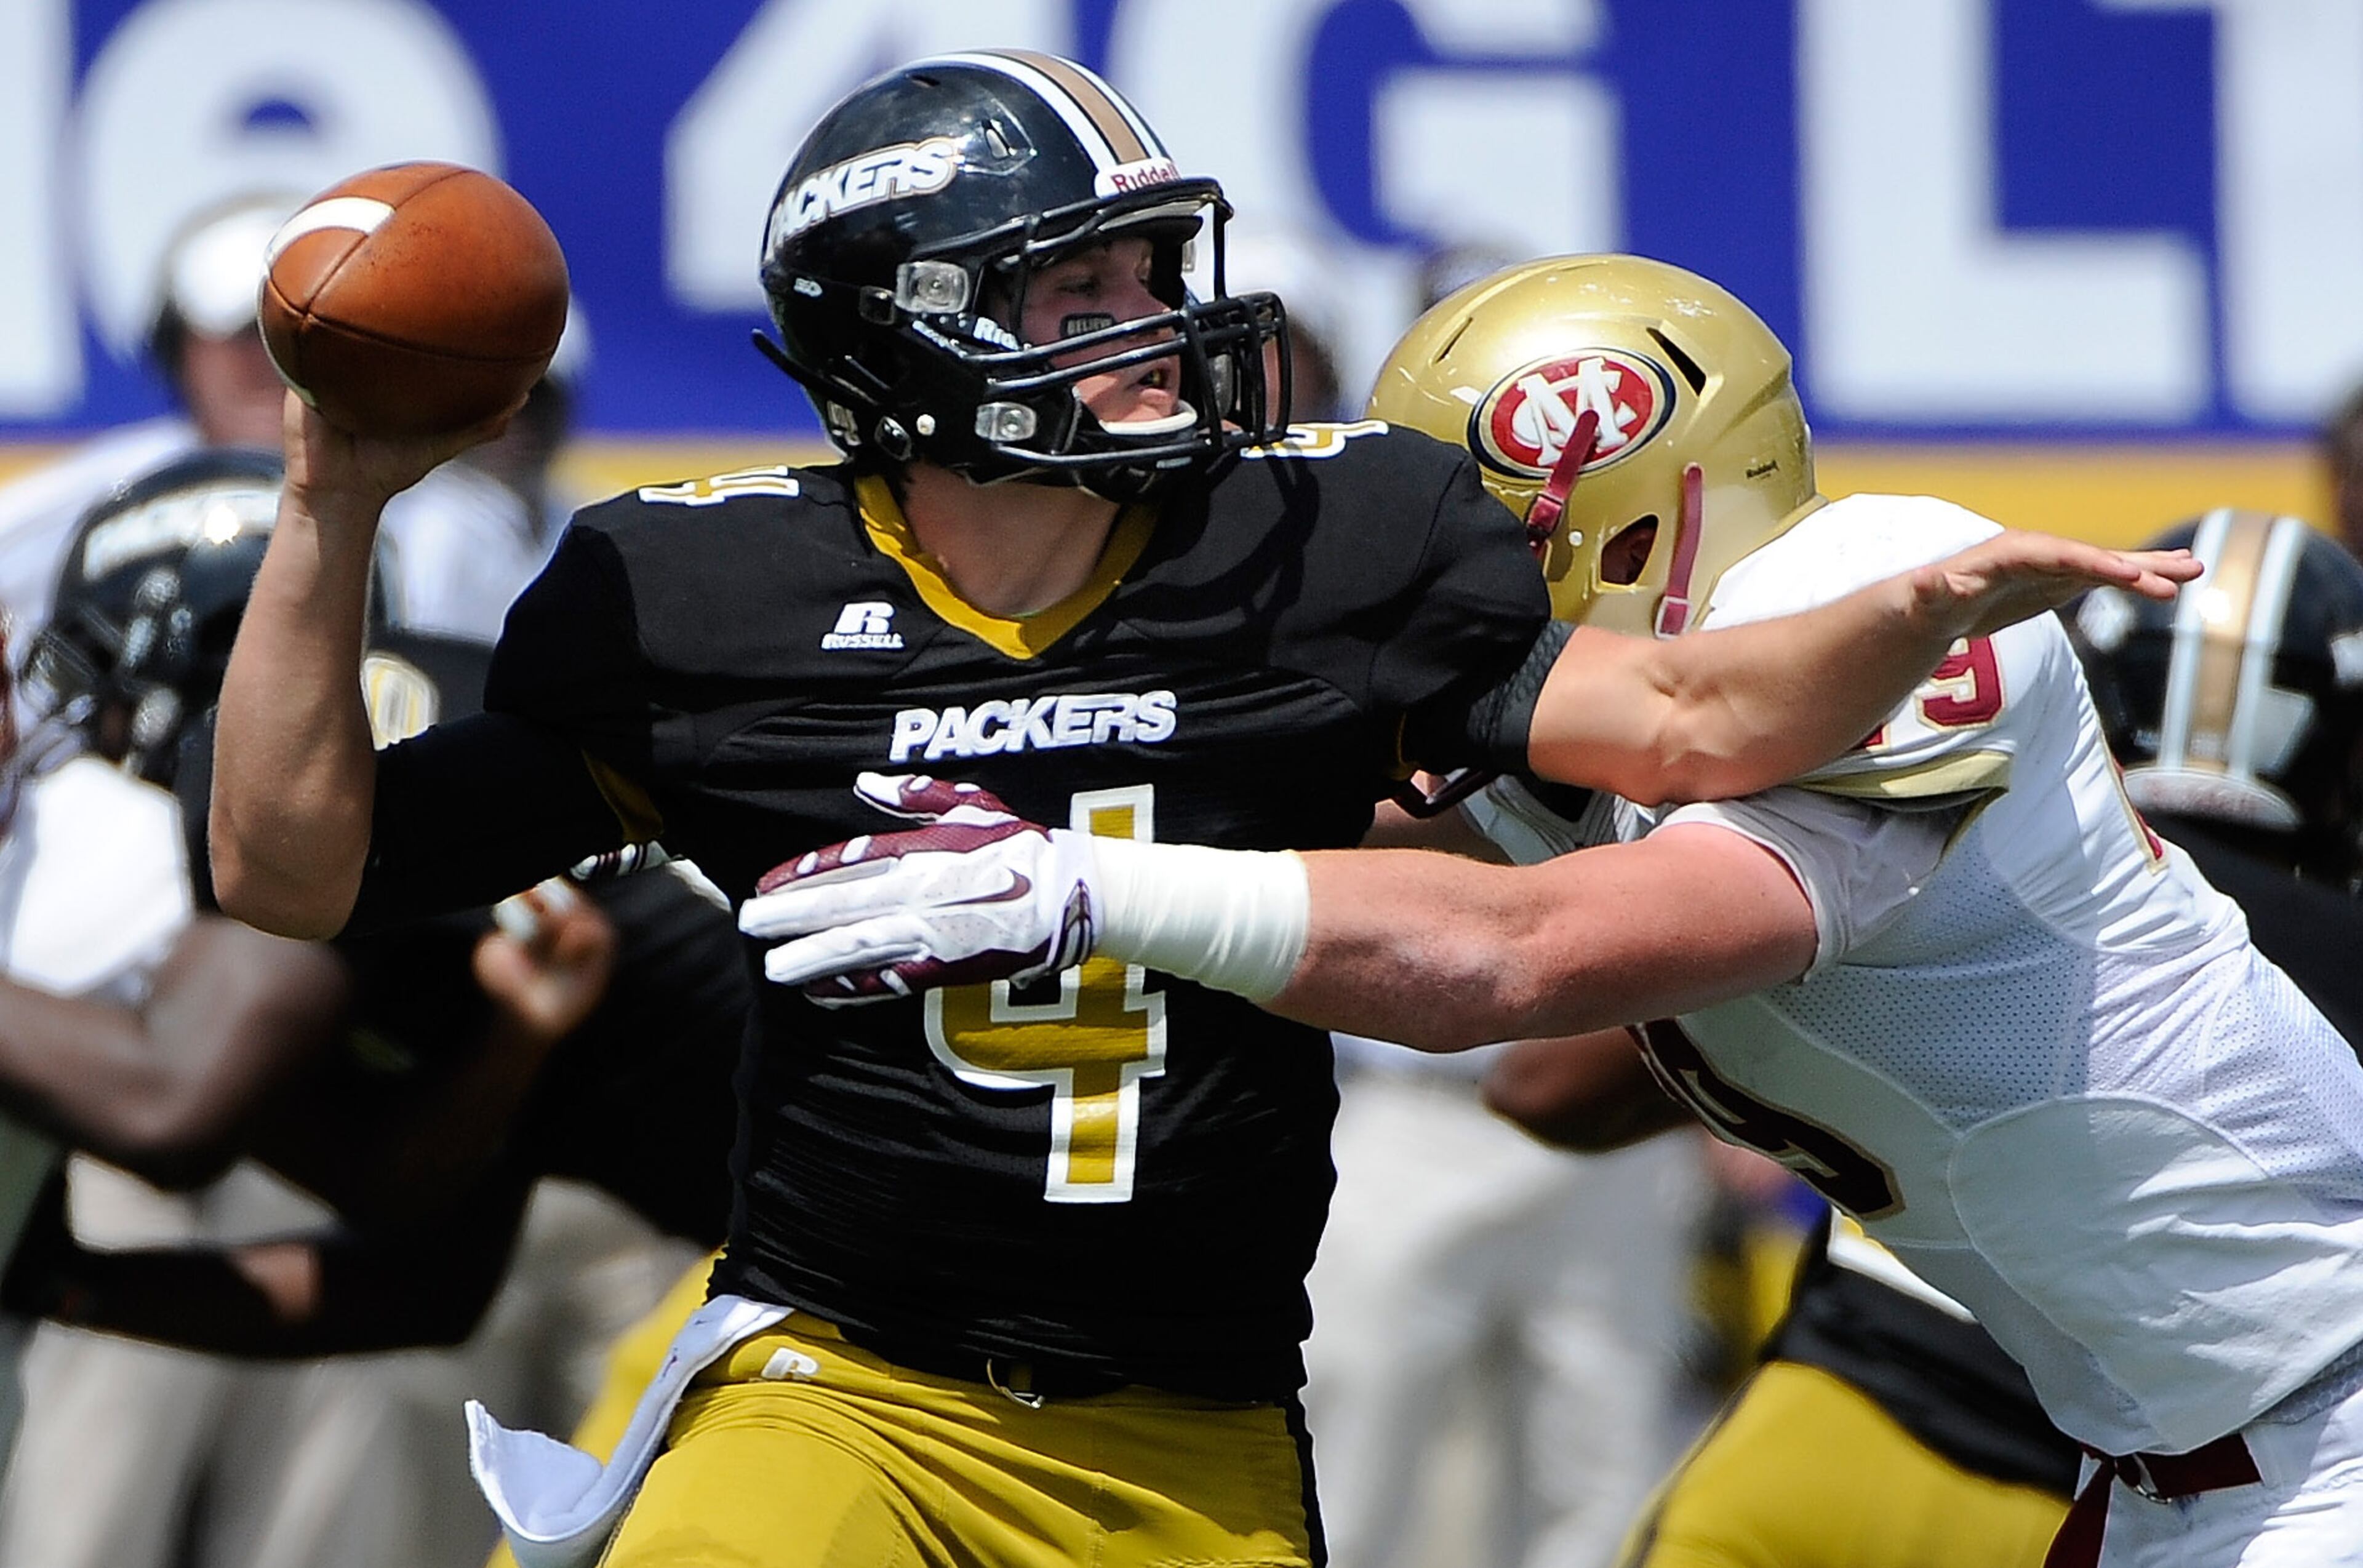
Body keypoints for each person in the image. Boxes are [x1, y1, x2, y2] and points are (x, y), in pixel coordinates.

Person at [207, 53, 2190, 1568]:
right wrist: (336, 502)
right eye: (1076, 284)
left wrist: (1912, 608)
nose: (1156, 316)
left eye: (1153, 263)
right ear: (907, 334)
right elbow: (292, 871)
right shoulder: (707, 599)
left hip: (1198, 1425)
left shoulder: (1326, 539)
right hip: (842, 1381)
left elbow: (1676, 717)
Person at [745, 253, 2363, 1568]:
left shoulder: (1876, 606)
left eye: (1447, 525)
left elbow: (1517, 958)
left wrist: (1099, 887)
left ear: (1633, 522)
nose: (1391, 568)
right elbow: (1247, 770)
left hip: (2326, 1419)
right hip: (2173, 1460)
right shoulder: (1599, 732)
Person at [0, 450, 740, 1568]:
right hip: (837, 1205)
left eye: (102, 676)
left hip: (882, 1213)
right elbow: (422, 1267)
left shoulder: (292, 767)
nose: (98, 733)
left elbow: (171, 1103)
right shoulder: (437, 793)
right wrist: (64, 1281)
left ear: (177, 642)